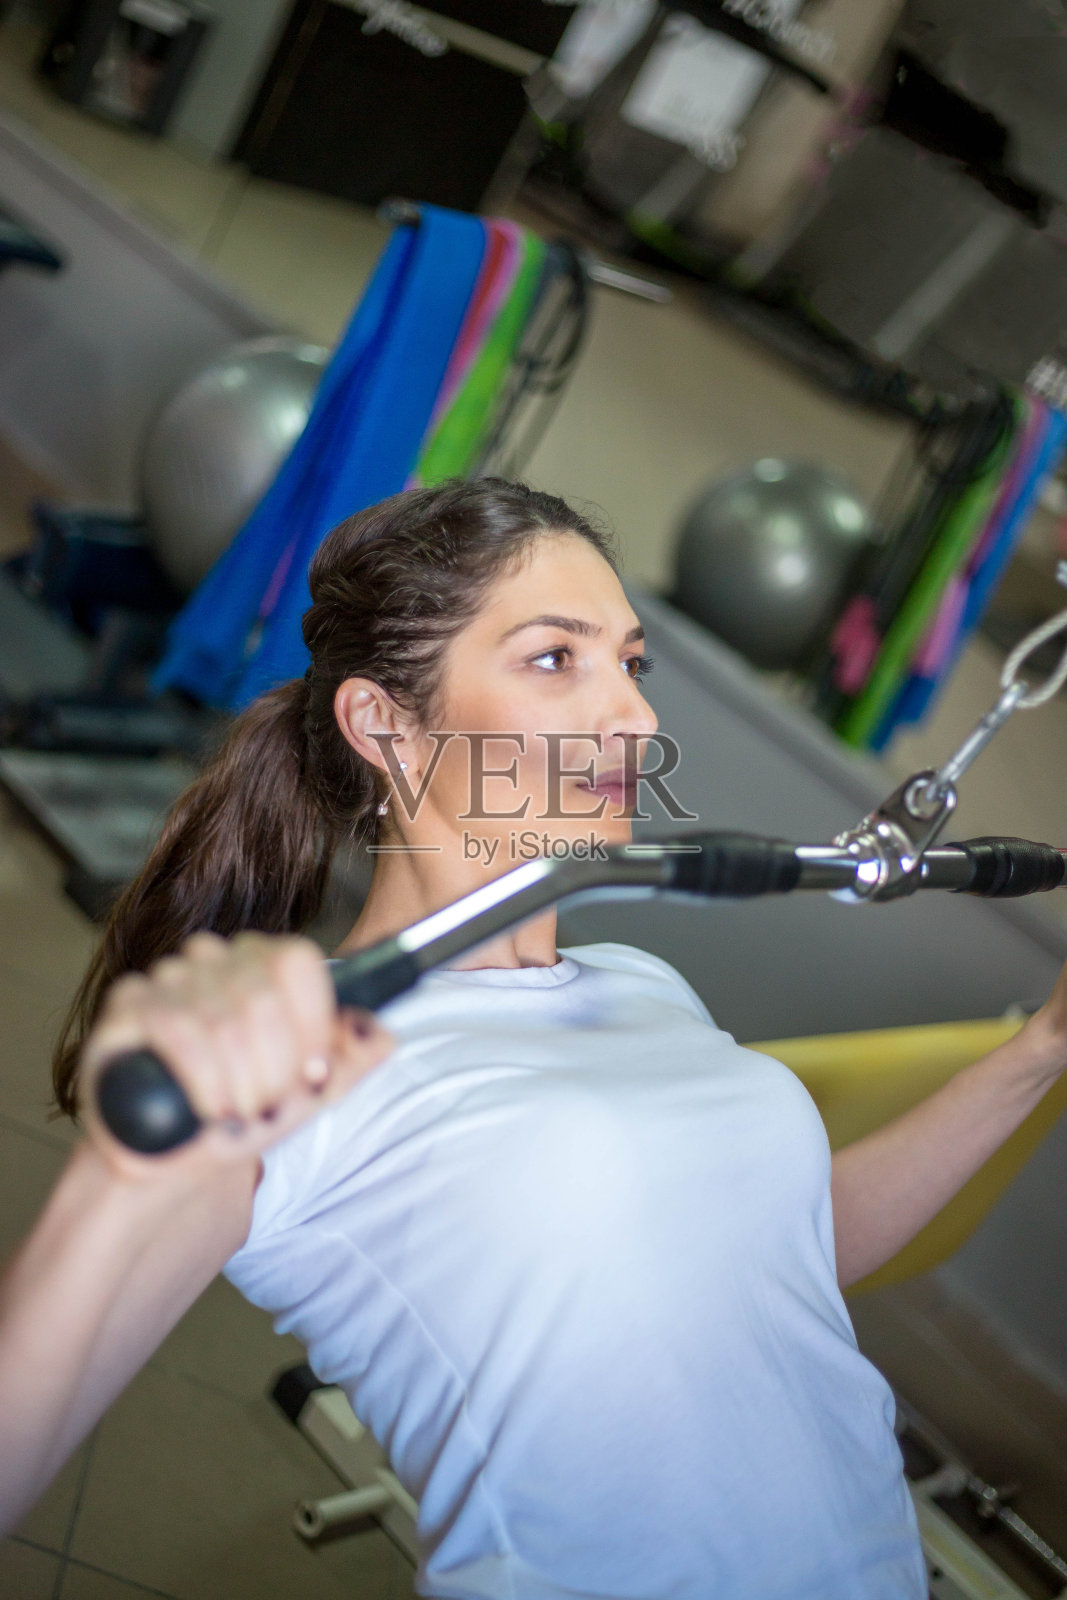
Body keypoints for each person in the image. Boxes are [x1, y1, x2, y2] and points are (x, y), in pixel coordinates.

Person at [2, 477, 1067, 1599]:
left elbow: (791, 1251)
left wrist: (1039, 1047)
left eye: (630, 661)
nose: (635, 717)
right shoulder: (312, 1060)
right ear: (384, 725)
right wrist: (120, 1180)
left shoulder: (639, 982)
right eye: (555, 658)